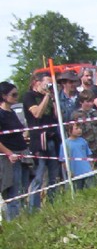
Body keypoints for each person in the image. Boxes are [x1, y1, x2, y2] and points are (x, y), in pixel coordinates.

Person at [24, 72, 62, 211]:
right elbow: (37, 113)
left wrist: (53, 97)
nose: (49, 86)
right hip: (39, 141)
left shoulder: (49, 97)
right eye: (47, 82)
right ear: (37, 82)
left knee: (53, 175)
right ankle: (33, 209)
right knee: (39, 176)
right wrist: (46, 95)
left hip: (53, 138)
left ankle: (53, 204)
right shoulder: (29, 96)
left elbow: (57, 116)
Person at [0, 82, 30, 220]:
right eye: (13, 94)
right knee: (12, 192)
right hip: (10, 158)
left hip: (22, 153)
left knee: (23, 188)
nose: (16, 97)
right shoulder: (1, 114)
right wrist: (9, 153)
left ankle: (22, 219)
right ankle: (12, 222)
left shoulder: (12, 112)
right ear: (3, 96)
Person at [72, 90, 97, 182]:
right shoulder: (76, 115)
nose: (90, 104)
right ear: (81, 102)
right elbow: (73, 133)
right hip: (86, 149)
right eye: (87, 101)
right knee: (90, 174)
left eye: (92, 101)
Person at [58, 122, 94, 190]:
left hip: (87, 171)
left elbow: (88, 155)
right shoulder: (65, 144)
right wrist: (69, 172)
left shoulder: (83, 141)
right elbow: (63, 161)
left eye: (80, 128)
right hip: (75, 173)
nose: (79, 130)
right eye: (76, 128)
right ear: (69, 131)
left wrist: (91, 166)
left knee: (91, 189)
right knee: (78, 191)